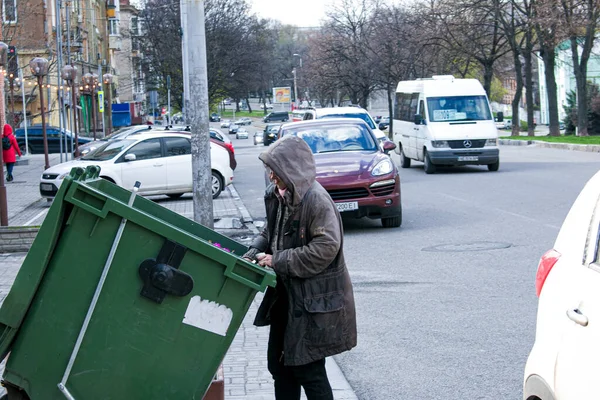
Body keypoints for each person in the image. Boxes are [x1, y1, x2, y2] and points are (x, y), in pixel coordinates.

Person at [243, 135, 357, 400]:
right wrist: (253, 249)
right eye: (269, 170)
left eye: (275, 170)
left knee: (309, 370)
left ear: (291, 169)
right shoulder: (276, 195)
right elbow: (269, 231)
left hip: (313, 301)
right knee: (280, 366)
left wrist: (277, 260)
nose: (271, 176)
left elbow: (326, 248)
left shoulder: (317, 200)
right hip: (287, 297)